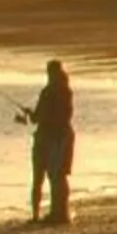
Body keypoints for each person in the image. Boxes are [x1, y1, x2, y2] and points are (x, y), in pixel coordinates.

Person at [22, 58, 75, 223]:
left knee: (40, 177)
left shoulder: (48, 92)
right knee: (59, 176)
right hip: (64, 136)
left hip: (47, 138)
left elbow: (38, 117)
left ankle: (37, 215)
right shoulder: (67, 91)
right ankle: (60, 212)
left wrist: (30, 114)